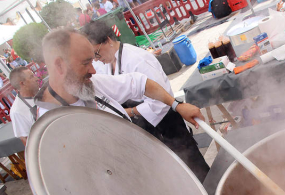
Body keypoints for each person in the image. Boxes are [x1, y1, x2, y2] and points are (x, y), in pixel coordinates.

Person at [36, 28, 208, 180]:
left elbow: (140, 83)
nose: (94, 70)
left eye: (93, 59)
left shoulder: (90, 83)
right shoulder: (50, 128)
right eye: (85, 63)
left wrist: (176, 105)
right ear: (59, 65)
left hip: (148, 162)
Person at [83, 21, 210, 182]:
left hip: (167, 125)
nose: (96, 60)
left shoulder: (138, 59)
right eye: (92, 57)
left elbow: (161, 101)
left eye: (96, 53)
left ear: (108, 40)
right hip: (144, 130)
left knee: (196, 172)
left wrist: (130, 112)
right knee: (172, 179)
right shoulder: (103, 65)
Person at [9, 67, 39, 146]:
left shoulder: (41, 92)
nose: (36, 78)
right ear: (22, 83)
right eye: (31, 77)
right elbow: (26, 140)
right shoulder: (17, 111)